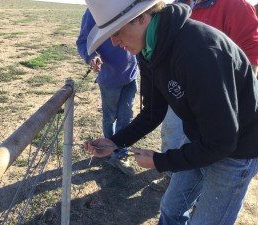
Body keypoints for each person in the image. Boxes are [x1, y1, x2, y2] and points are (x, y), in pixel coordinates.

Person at [83, 0, 258, 224]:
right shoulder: (148, 49)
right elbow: (153, 112)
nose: (115, 43)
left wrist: (160, 161)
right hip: (200, 137)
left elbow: (222, 142)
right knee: (171, 208)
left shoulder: (200, 52)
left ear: (141, 17)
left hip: (237, 149)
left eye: (116, 32)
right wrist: (114, 142)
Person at [150, 0, 258, 192]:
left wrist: (229, 97)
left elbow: (250, 57)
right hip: (181, 94)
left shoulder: (237, 6)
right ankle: (174, 176)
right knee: (173, 135)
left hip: (219, 106)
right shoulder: (175, 5)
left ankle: (203, 191)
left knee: (215, 146)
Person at [76, 9, 139, 176]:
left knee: (126, 115)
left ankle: (120, 153)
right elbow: (83, 42)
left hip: (131, 75)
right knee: (109, 116)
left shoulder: (131, 5)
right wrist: (91, 58)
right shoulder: (94, 10)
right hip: (109, 79)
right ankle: (107, 148)